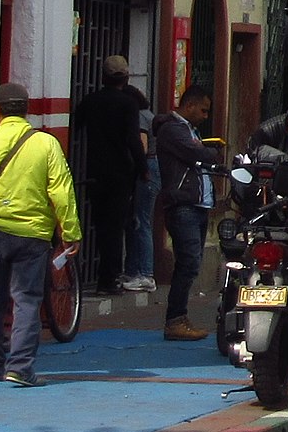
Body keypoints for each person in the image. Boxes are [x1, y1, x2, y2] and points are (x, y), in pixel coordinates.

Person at [0, 84, 80, 387]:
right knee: (27, 300)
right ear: (26, 111)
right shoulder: (46, 144)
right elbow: (62, 191)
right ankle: (20, 368)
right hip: (33, 235)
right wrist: (70, 231)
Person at [72, 55, 149, 294]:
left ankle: (98, 273)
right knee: (116, 227)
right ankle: (109, 278)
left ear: (103, 77)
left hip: (95, 171)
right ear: (125, 78)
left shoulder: (90, 100)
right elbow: (133, 140)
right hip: (121, 174)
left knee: (99, 224)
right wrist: (143, 167)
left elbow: (75, 126)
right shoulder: (128, 104)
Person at [151, 85, 216, 342]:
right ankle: (175, 319)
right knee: (188, 262)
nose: (205, 116)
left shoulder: (190, 130)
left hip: (197, 204)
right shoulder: (172, 130)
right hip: (183, 205)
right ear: (189, 105)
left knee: (192, 263)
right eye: (203, 110)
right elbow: (198, 154)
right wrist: (210, 153)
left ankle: (180, 317)